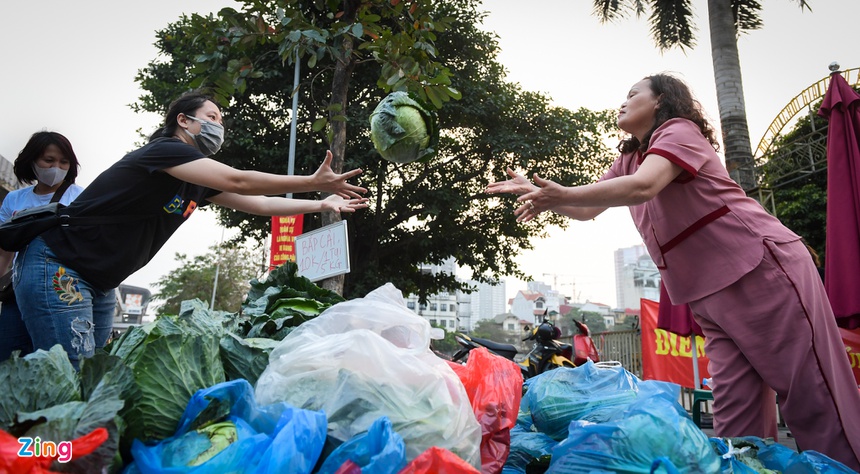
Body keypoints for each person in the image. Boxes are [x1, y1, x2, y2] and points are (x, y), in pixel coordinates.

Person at [486, 73, 860, 469]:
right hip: (706, 295)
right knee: (735, 413)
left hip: (760, 270)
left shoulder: (679, 132)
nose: (623, 101)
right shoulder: (629, 160)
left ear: (661, 101)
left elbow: (644, 187)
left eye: (633, 94)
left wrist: (559, 193)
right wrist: (544, 194)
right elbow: (586, 208)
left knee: (812, 395)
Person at [13, 91, 368, 370]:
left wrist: (321, 204)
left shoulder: (195, 182)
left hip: (101, 281)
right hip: (60, 266)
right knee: (71, 373)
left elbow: (260, 204)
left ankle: (57, 454)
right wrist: (311, 180)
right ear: (183, 120)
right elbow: (238, 180)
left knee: (90, 374)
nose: (219, 125)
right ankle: (47, 456)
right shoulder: (164, 152)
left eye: (221, 120)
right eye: (211, 117)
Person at [0, 131, 85, 362]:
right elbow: (4, 252)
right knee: (9, 361)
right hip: (18, 293)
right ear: (32, 161)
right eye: (49, 160)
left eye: (64, 162)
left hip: (62, 293)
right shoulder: (14, 200)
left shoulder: (81, 198)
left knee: (56, 361)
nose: (56, 167)